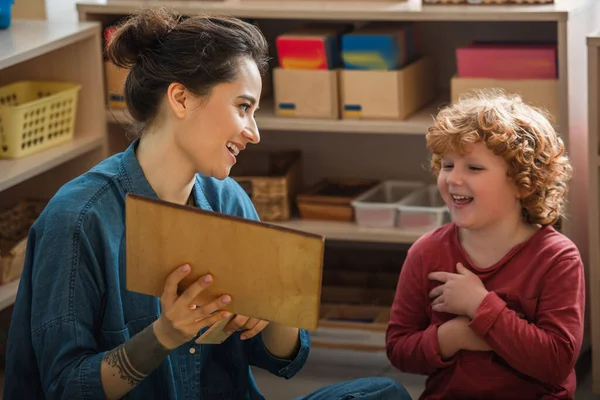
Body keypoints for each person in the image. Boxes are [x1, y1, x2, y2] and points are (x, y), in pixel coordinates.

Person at [3, 8, 411, 400]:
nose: (253, 132)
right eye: (243, 107)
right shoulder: (79, 219)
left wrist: (272, 312)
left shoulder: (227, 199)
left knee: (384, 393)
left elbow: (283, 359)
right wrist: (164, 335)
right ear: (180, 98)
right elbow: (65, 388)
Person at [386, 91, 584, 400]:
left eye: (474, 168)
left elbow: (556, 362)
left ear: (523, 184)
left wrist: (479, 306)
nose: (453, 179)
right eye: (448, 165)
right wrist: (451, 337)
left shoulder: (557, 257)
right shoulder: (426, 252)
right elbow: (398, 349)